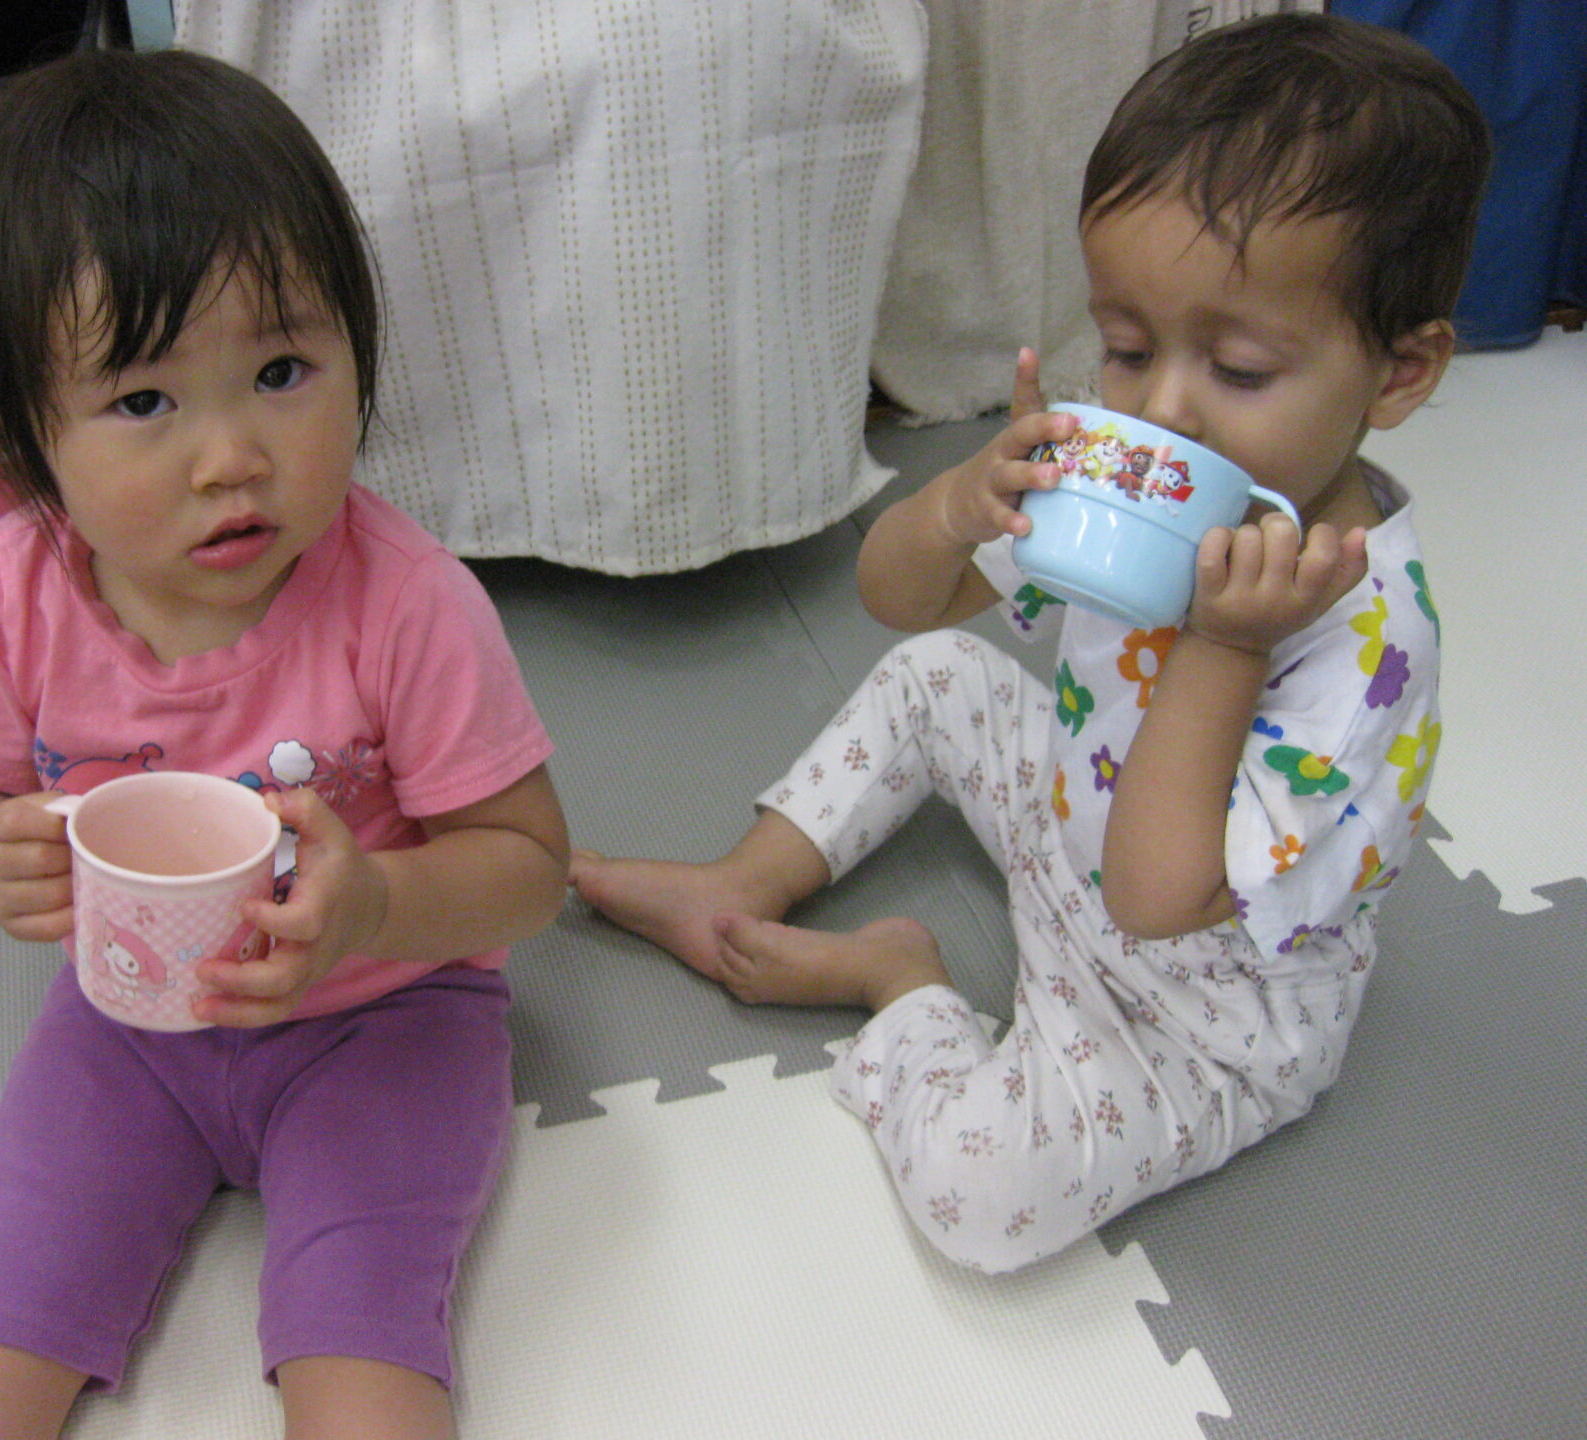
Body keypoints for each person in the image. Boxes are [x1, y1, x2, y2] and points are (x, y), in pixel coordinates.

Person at [572, 13, 1488, 1274]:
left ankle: (897, 980)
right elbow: (902, 603)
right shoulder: (1160, 478)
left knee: (982, 1196)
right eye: (1127, 349)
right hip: (1069, 819)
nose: (1164, 411)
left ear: (1398, 373)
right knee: (939, 676)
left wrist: (1223, 646)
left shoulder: (1373, 646)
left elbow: (1158, 899)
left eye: (1237, 367)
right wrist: (963, 502)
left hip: (1191, 1010)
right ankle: (746, 878)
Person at [0, 49, 569, 1440]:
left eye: (282, 371)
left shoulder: (410, 604)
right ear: (22, 432)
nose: (232, 456)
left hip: (382, 1023)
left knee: (362, 1357)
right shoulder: (10, 597)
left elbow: (528, 865)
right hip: (125, 1021)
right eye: (145, 402)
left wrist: (375, 905)